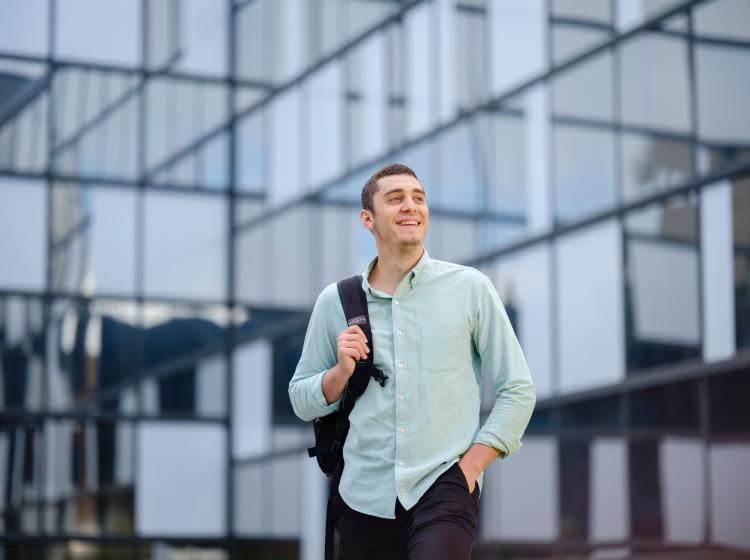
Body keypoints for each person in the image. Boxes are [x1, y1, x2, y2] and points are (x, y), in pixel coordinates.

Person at [288, 163, 536, 559]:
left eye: (418, 198)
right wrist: (340, 373)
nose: (410, 205)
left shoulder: (470, 289)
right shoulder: (335, 302)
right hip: (362, 499)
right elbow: (300, 399)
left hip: (444, 488)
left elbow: (518, 390)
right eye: (395, 198)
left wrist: (468, 470)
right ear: (367, 219)